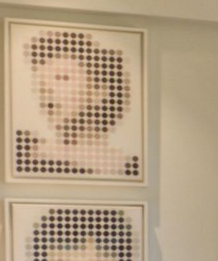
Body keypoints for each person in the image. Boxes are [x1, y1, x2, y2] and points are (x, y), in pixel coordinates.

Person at [10, 26, 142, 179]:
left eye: (62, 79)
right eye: (42, 82)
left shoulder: (121, 164)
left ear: (99, 91)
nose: (46, 91)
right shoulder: (32, 153)